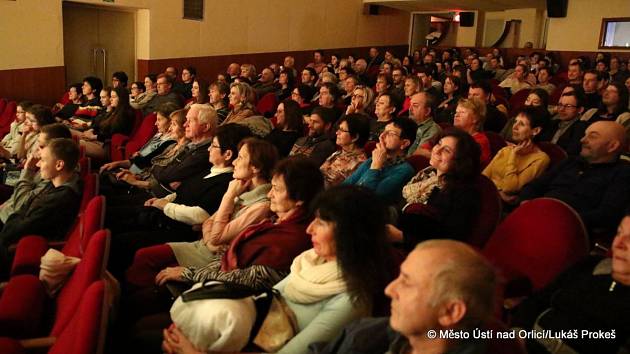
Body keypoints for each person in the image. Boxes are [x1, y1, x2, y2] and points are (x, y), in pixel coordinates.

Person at [161, 185, 395, 354]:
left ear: (351, 234)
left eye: (322, 223)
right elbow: (263, 300)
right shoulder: (309, 261)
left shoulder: (351, 298)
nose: (309, 229)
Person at [107, 124, 252, 279]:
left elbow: (200, 215)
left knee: (119, 241)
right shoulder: (210, 169)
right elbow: (180, 192)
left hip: (175, 229)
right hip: (163, 216)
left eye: (213, 146)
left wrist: (165, 205)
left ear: (227, 154)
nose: (209, 149)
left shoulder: (225, 182)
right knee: (113, 215)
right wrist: (162, 200)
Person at [312, 239, 498, 354]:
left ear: (450, 311)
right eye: (399, 277)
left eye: (407, 282)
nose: (390, 290)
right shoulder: (365, 333)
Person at [511, 212, 630, 354]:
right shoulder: (591, 264)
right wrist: (517, 333)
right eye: (619, 233)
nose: (618, 244)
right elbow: (538, 300)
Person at [519, 121, 630, 236]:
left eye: (592, 136)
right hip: (536, 216)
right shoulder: (571, 161)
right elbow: (535, 185)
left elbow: (607, 215)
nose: (582, 140)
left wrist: (558, 219)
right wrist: (526, 204)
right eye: (585, 134)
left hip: (569, 232)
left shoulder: (622, 174)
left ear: (612, 146)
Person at [388, 129, 481, 247]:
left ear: (460, 161)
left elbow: (448, 240)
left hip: (416, 250)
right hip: (396, 225)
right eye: (439, 144)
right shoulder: (426, 175)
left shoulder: (464, 193)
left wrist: (401, 237)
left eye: (446, 150)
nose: (437, 150)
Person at [0, 138, 82, 272]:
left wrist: (17, 213)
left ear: (59, 165)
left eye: (43, 160)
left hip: (13, 252)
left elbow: (11, 233)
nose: (37, 164)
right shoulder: (56, 183)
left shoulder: (58, 199)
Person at [0, 123, 72, 224]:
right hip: (8, 207)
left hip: (9, 219)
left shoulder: (53, 175)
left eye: (41, 146)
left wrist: (28, 170)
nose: (37, 149)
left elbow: (20, 205)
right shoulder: (48, 165)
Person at [484, 106, 550, 204]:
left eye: (522, 124)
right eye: (515, 122)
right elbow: (483, 178)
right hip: (486, 197)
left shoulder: (541, 159)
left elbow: (509, 188)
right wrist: (499, 192)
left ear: (535, 131)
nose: (514, 127)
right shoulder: (505, 150)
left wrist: (513, 155)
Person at [344, 117, 417, 205]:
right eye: (384, 131)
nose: (381, 136)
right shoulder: (374, 158)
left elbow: (368, 198)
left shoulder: (405, 170)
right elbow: (346, 185)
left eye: (390, 134)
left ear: (404, 143)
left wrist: (375, 167)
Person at [99, 102, 179, 181]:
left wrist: (127, 169)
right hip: (134, 170)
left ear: (171, 121)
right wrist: (117, 163)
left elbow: (145, 162)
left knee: (104, 178)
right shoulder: (159, 135)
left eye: (159, 120)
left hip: (142, 177)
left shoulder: (170, 142)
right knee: (104, 172)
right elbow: (138, 159)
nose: (155, 123)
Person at [75, 86, 135, 160]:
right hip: (100, 141)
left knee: (74, 145)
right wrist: (92, 132)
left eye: (113, 97)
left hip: (108, 147)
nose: (111, 99)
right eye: (110, 97)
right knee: (71, 137)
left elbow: (114, 135)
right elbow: (100, 125)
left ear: (121, 98)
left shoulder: (125, 113)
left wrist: (94, 137)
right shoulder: (114, 111)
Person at [320, 114, 369, 187]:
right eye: (338, 129)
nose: (337, 133)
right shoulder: (338, 152)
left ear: (355, 137)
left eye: (342, 130)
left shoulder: (360, 163)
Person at [547, 92, 589, 156]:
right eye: (560, 105)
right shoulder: (554, 123)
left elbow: (570, 154)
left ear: (580, 109)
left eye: (568, 106)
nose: (561, 109)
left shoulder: (581, 128)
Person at [453, 97, 491, 166]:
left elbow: (463, 166)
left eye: (462, 112)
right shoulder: (453, 134)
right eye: (456, 112)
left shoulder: (480, 142)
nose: (456, 115)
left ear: (475, 118)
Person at [407, 92, 441, 157]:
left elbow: (416, 156)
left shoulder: (433, 130)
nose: (410, 109)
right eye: (410, 105)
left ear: (427, 111)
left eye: (415, 106)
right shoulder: (408, 124)